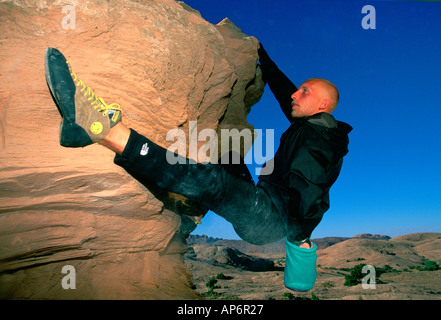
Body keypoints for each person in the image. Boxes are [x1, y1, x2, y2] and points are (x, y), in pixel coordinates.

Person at [44, 44, 352, 292]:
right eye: (298, 90)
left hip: (271, 218)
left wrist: (299, 236)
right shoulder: (315, 125)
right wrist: (263, 57)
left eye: (305, 92)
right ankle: (192, 210)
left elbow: (310, 191)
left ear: (323, 105)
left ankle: (100, 129)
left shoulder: (316, 140)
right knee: (229, 154)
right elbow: (288, 95)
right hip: (266, 204)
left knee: (213, 182)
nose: (295, 95)